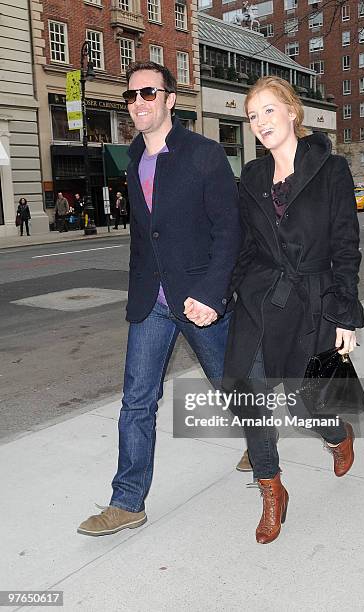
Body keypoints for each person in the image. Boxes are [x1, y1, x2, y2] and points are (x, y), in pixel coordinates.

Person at [77, 61, 241, 536]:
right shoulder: (132, 159)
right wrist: (137, 293)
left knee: (229, 382)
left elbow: (228, 230)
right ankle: (127, 501)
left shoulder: (204, 154)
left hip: (199, 299)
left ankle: (260, 438)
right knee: (137, 400)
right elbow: (143, 238)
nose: (139, 103)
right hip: (152, 302)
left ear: (170, 99)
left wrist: (212, 293)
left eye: (149, 93)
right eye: (131, 96)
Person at [223, 77, 364, 544]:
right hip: (260, 301)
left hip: (311, 302)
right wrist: (220, 296)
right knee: (251, 396)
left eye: (268, 110)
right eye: (252, 116)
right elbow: (244, 247)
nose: (260, 122)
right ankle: (271, 489)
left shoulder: (331, 170)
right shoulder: (252, 178)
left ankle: (335, 433)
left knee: (306, 403)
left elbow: (346, 244)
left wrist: (345, 313)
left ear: (291, 111)